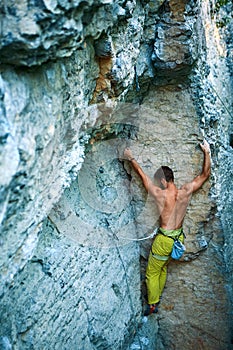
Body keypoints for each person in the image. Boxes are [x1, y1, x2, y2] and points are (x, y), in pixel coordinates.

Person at [123, 140, 211, 315]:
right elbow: (205, 174)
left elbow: (143, 177)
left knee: (151, 272)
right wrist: (207, 152)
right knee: (162, 267)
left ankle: (153, 304)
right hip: (178, 238)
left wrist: (131, 158)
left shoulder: (160, 195)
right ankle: (157, 297)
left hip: (164, 240)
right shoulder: (185, 191)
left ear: (163, 180)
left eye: (159, 181)